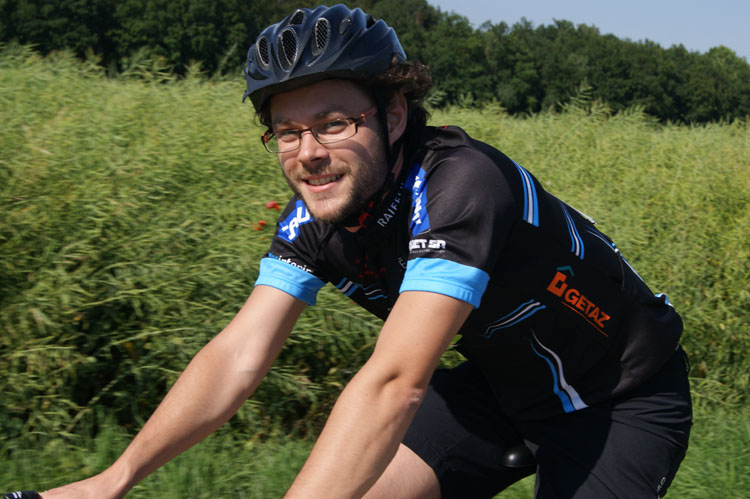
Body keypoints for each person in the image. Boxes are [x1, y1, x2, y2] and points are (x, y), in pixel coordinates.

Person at [21, 5, 691, 498]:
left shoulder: (461, 184)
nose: (309, 153)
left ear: (394, 114)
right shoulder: (316, 220)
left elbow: (395, 382)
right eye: (287, 132)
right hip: (497, 389)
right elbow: (237, 355)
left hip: (621, 395)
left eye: (334, 123)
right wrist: (112, 480)